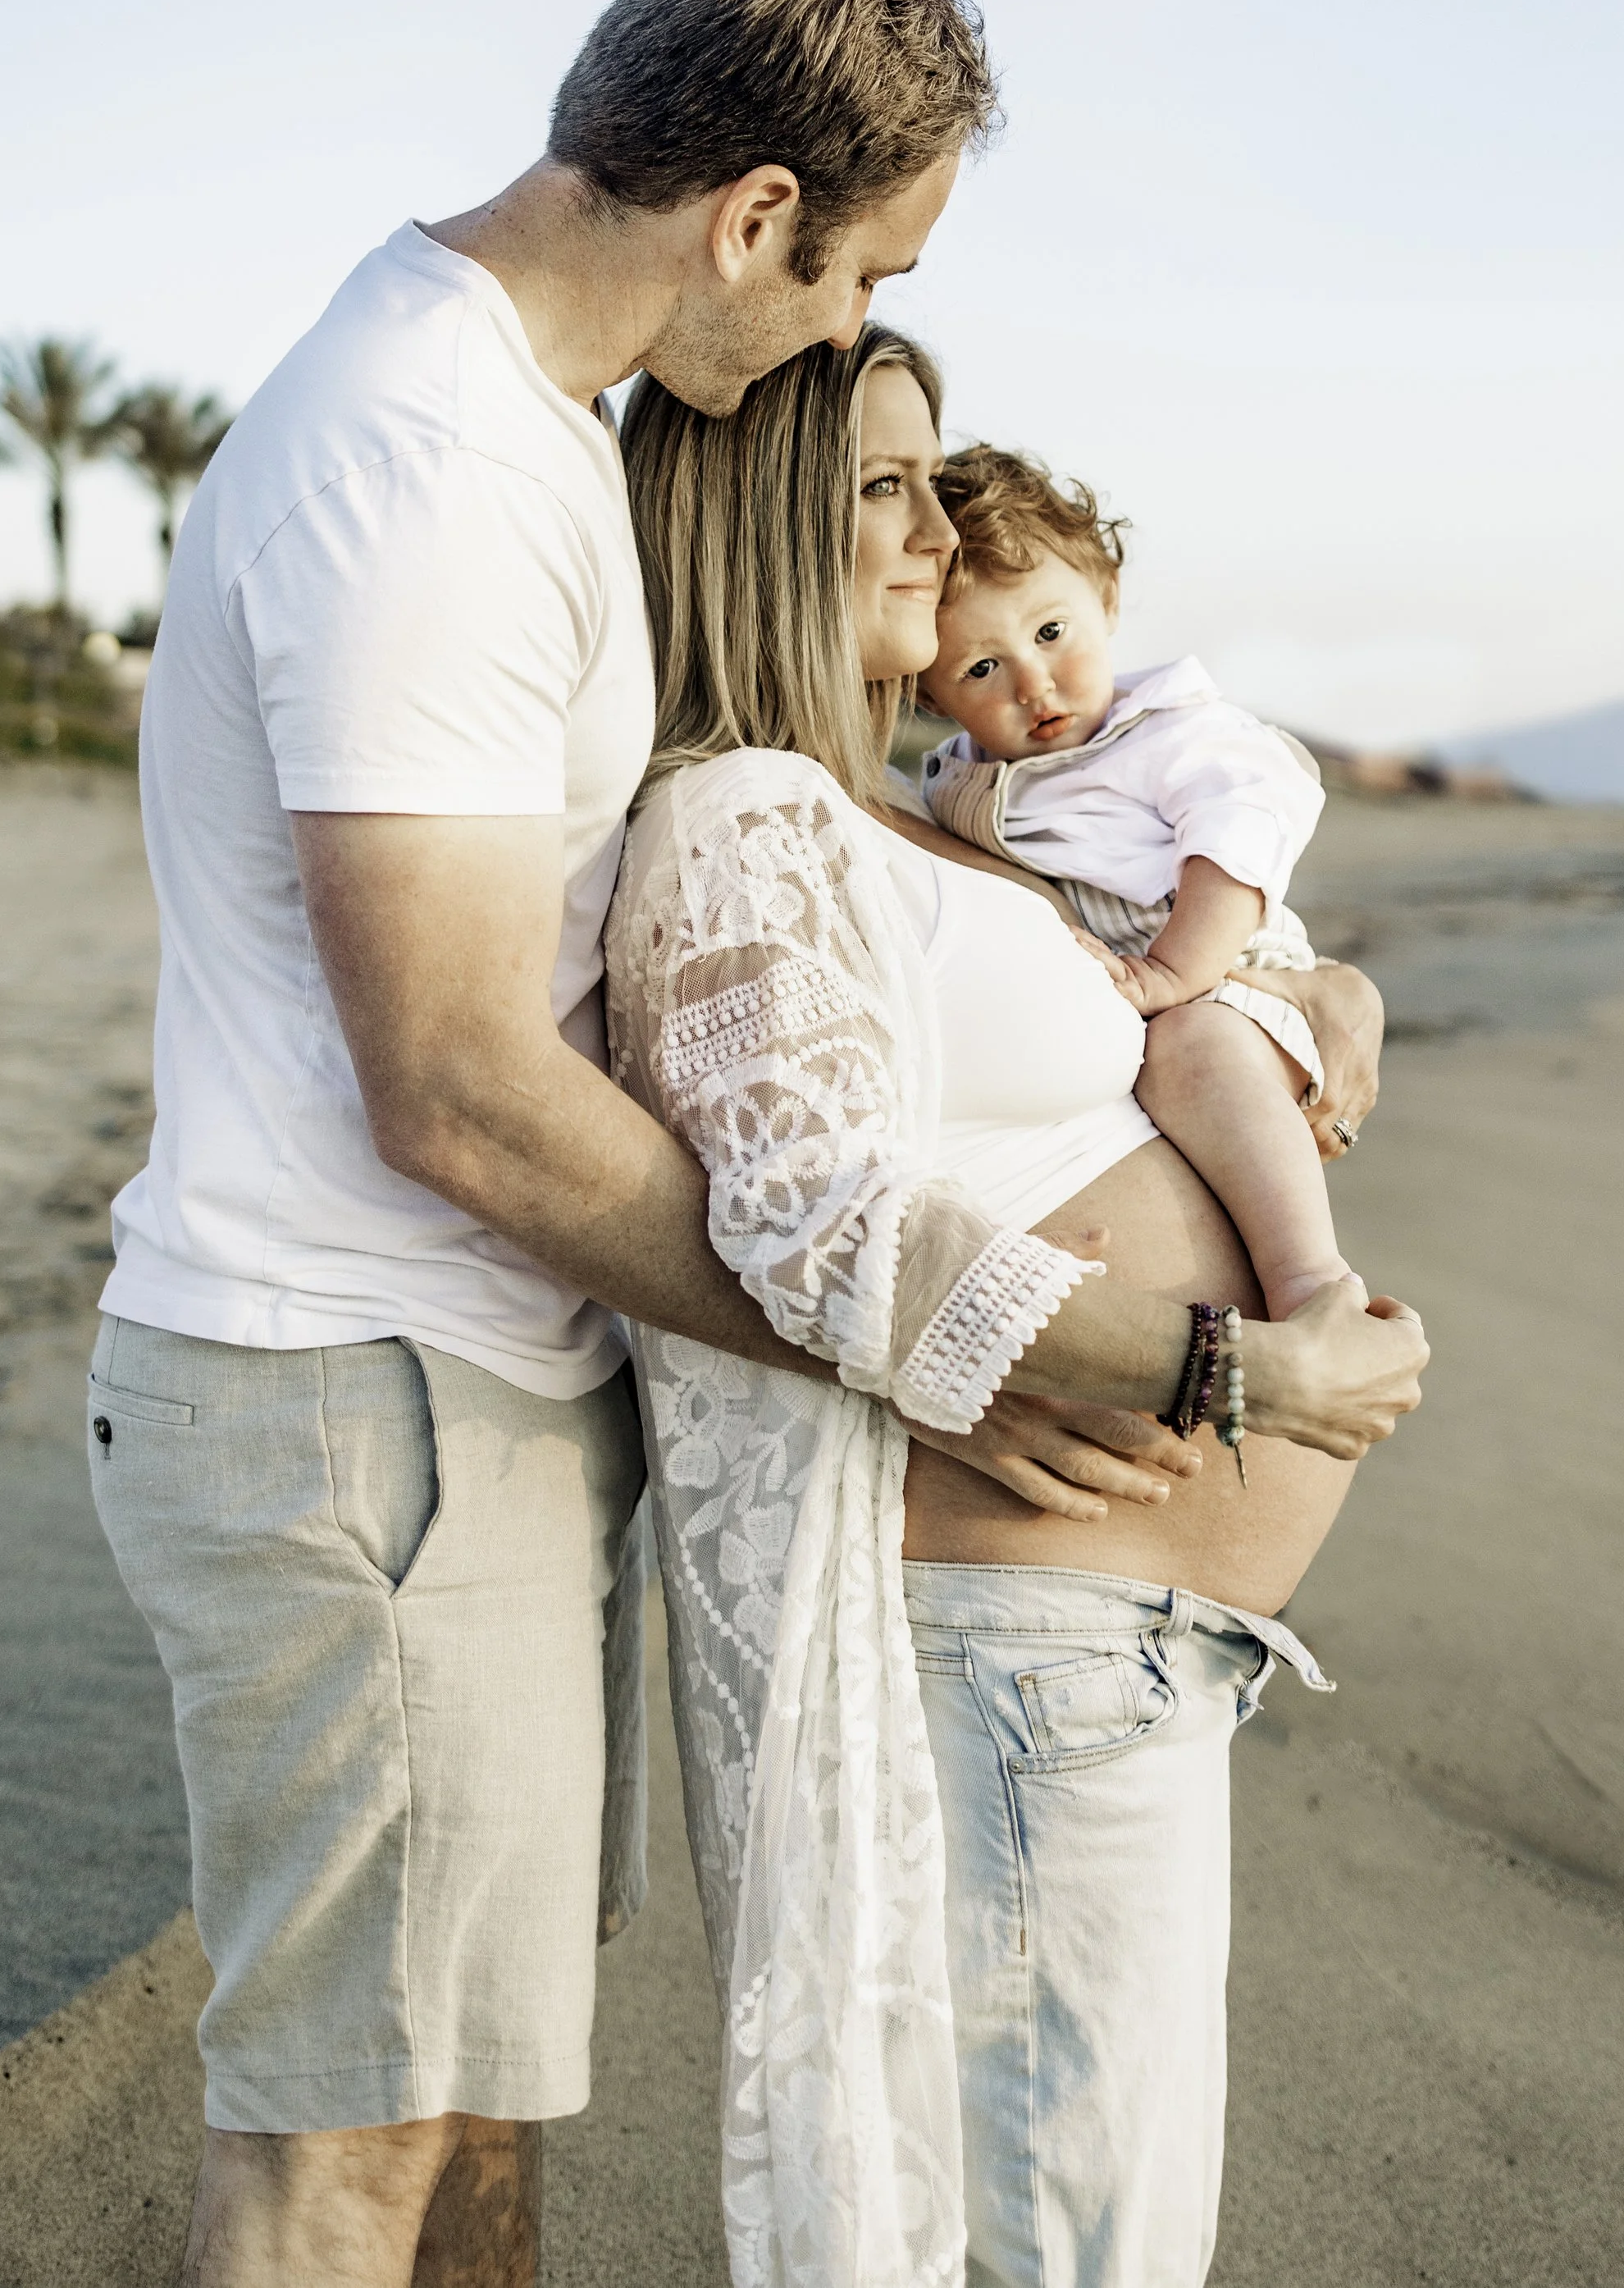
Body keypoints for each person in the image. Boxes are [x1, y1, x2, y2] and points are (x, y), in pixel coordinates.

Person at [84, 0, 1408, 2288]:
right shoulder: (432, 467)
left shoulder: (523, 435)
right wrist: (1053, 1345)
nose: (847, 347)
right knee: (348, 2148)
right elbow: (463, 1084)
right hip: (351, 1379)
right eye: (850, 278)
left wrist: (1269, 998)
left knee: (458, 2116)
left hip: (450, 1396)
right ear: (755, 215)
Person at [608, 326, 1429, 2288]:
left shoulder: (931, 811)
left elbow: (1157, 967)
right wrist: (1229, 1359)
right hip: (1017, 1642)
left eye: (928, 477)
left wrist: (1325, 991)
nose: (933, 522)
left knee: (1111, 2217)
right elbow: (801, 1210)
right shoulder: (742, 819)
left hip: (1107, 1649)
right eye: (880, 482)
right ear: (752, 516)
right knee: (1078, 2238)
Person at [918, 442, 1354, 1321]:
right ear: (931, 699)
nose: (1033, 683)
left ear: (1106, 599)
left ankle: (1311, 1279)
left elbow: (1243, 828)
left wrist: (1173, 972)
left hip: (1227, 971)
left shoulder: (1174, 732)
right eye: (980, 669)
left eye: (1050, 634)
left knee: (1194, 1052)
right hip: (1129, 993)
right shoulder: (948, 781)